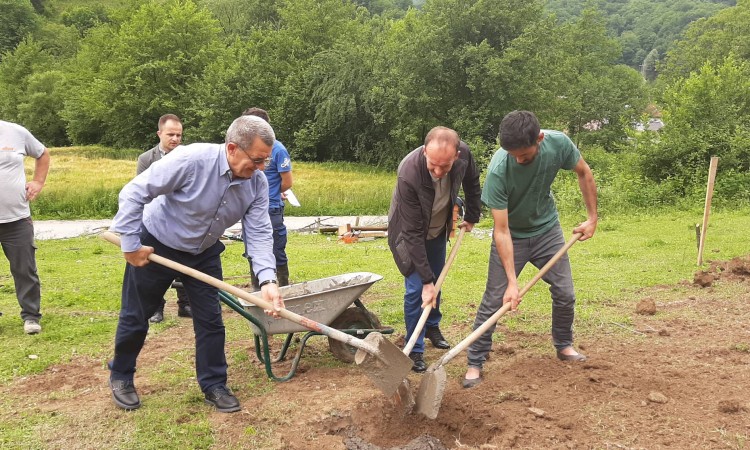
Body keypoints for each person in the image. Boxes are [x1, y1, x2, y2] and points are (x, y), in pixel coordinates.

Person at [108, 115, 285, 413]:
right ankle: (121, 376)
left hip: (203, 252)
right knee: (137, 316)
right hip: (157, 245)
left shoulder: (255, 183)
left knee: (211, 322)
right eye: (256, 160)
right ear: (232, 148)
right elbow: (134, 192)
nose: (261, 168)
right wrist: (130, 245)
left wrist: (268, 280)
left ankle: (214, 384)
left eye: (265, 161)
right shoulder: (190, 160)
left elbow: (258, 232)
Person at [462, 110, 598, 389]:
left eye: (523, 155)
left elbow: (583, 172)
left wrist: (592, 217)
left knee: (565, 292)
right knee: (494, 299)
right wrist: (513, 283)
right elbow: (501, 230)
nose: (517, 159)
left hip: (547, 230)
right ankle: (475, 361)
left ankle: (564, 345)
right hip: (513, 235)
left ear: (540, 138)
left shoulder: (558, 143)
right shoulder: (499, 170)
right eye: (512, 154)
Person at [387, 126, 481, 372]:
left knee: (436, 282)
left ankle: (431, 326)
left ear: (456, 156)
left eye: (445, 167)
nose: (439, 173)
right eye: (433, 166)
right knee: (418, 289)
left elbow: (472, 182)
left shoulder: (465, 157)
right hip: (408, 235)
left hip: (438, 228)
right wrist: (426, 280)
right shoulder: (409, 172)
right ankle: (415, 349)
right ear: (425, 152)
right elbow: (412, 233)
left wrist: (472, 215)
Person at [136, 114, 192, 323]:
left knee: (183, 264)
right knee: (155, 265)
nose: (175, 139)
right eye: (171, 134)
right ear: (159, 133)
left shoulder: (188, 157)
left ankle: (185, 305)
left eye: (179, 135)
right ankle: (156, 308)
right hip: (155, 221)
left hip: (181, 219)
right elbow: (141, 189)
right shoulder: (146, 159)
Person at [0, 120, 50, 335]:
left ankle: (31, 316)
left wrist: (38, 182)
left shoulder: (16, 132)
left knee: (24, 270)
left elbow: (42, 153)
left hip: (16, 218)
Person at [241, 107, 293, 288]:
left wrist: (272, 193)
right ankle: (258, 290)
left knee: (276, 249)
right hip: (248, 207)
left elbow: (286, 182)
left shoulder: (278, 149)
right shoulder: (242, 149)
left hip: (272, 208)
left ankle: (284, 287)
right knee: (252, 250)